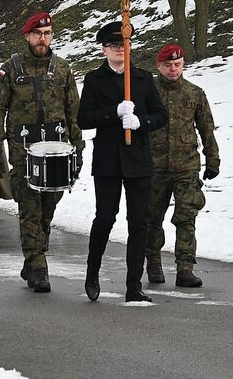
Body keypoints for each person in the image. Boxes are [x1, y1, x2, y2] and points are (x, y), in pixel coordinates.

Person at [0, 13, 83, 293]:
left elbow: (73, 112)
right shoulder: (11, 68)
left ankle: (33, 257)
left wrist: (78, 148)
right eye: (38, 33)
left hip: (56, 151)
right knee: (29, 208)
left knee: (47, 208)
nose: (43, 38)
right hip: (23, 152)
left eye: (48, 33)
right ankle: (39, 267)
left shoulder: (62, 69)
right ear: (27, 36)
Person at [78, 21, 168, 303]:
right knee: (105, 217)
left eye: (124, 45)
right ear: (104, 50)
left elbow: (161, 115)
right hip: (108, 160)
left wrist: (141, 122)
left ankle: (134, 285)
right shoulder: (94, 80)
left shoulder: (143, 79)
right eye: (114, 45)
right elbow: (84, 119)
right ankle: (92, 274)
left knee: (138, 223)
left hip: (138, 160)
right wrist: (113, 112)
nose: (120, 50)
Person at [146, 43, 220, 288]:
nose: (173, 69)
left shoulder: (194, 93)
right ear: (159, 66)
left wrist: (213, 159)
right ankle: (153, 262)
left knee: (186, 216)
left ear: (183, 65)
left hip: (186, 165)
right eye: (168, 65)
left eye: (177, 64)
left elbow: (207, 129)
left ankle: (185, 268)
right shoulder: (148, 92)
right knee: (151, 217)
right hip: (154, 165)